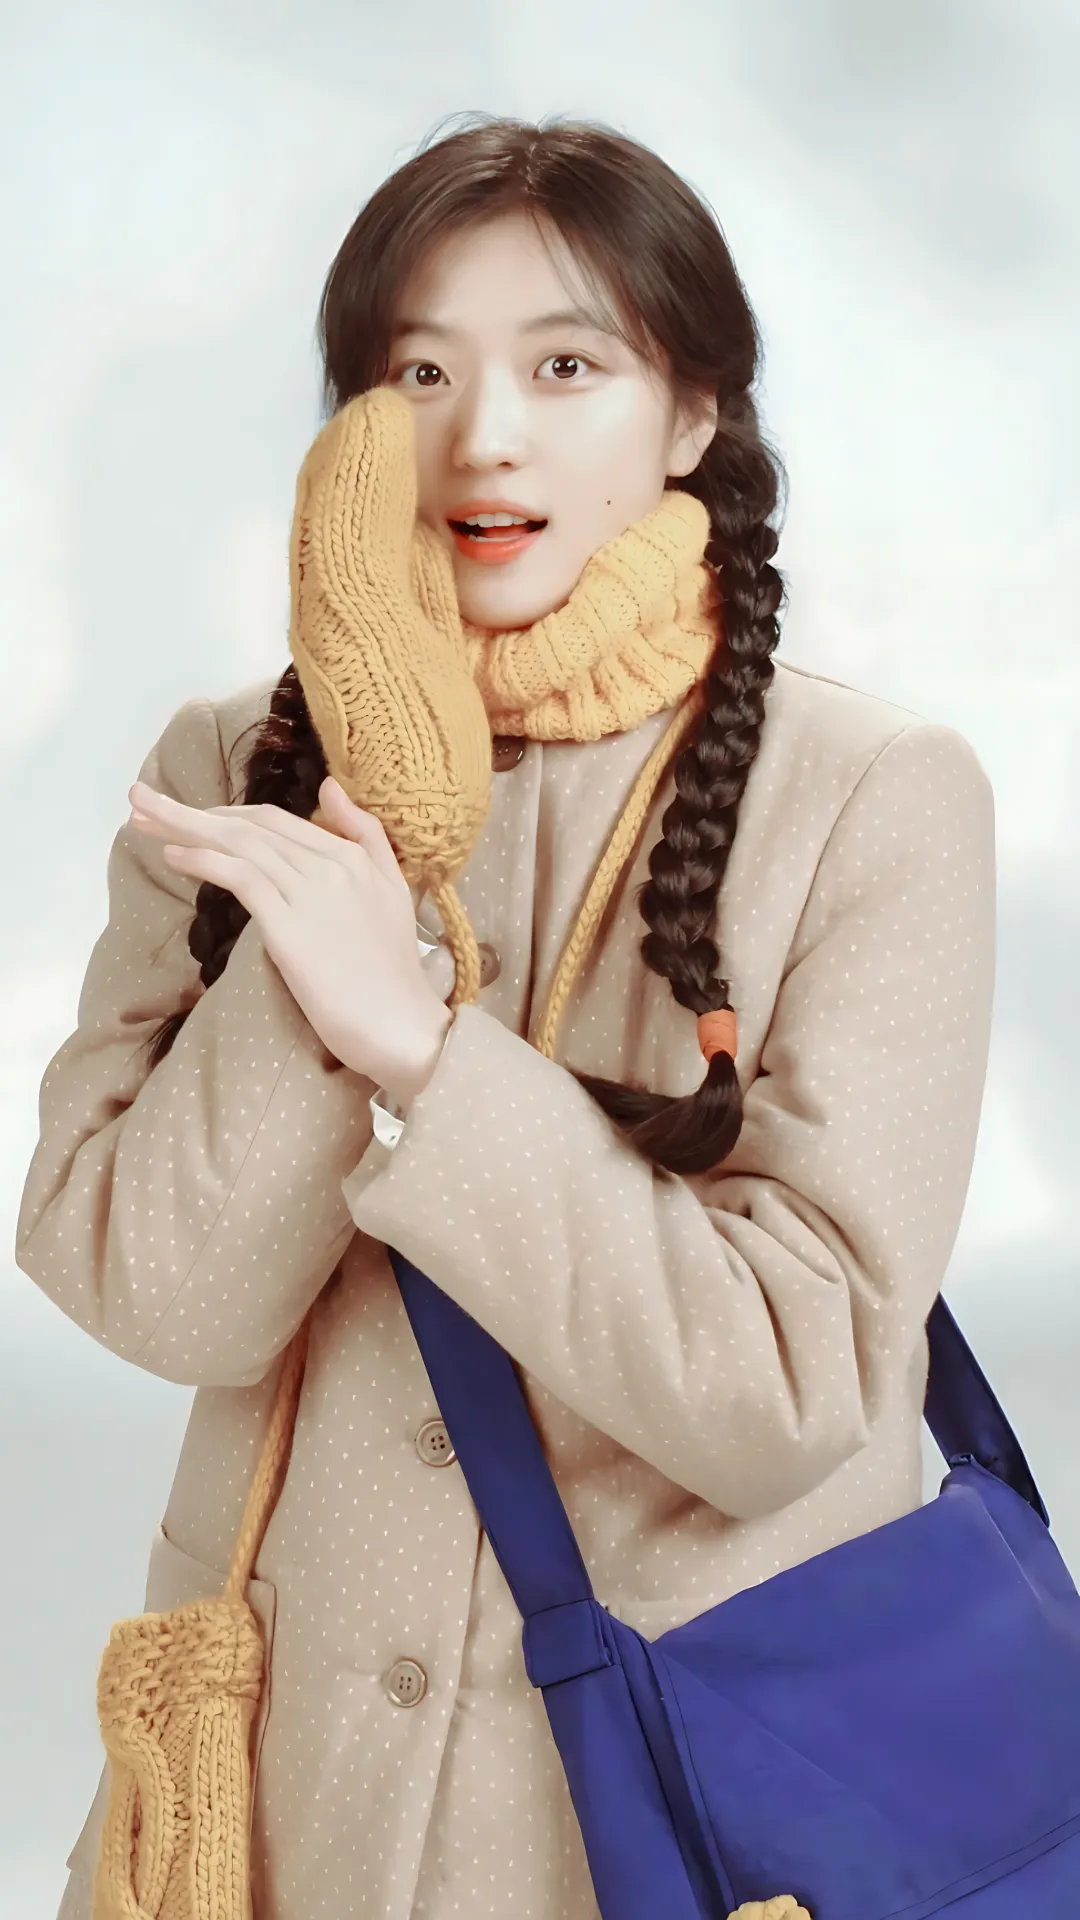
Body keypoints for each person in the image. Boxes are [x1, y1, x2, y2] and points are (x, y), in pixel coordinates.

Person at [15, 114, 996, 1920]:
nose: (482, 436)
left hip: (662, 1817)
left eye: (565, 365)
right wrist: (375, 818)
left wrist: (421, 1049)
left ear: (693, 412)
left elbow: (788, 1393)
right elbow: (155, 1298)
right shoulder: (227, 769)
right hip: (273, 1807)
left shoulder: (869, 794)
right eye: (418, 370)